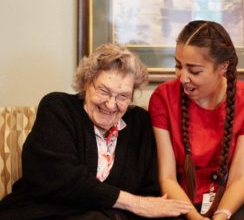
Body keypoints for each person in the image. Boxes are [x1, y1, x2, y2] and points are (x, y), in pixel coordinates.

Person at [0, 43, 191, 220]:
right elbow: (63, 180)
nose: (110, 104)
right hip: (44, 213)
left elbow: (149, 192)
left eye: (123, 96)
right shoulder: (58, 108)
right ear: (86, 83)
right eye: (104, 91)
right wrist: (134, 203)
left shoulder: (139, 123)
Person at [149, 20, 244, 220]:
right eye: (178, 66)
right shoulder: (163, 97)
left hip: (228, 203)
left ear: (222, 67)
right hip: (179, 203)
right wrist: (195, 218)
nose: (183, 77)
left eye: (194, 71)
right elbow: (167, 178)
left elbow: (239, 178)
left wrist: (221, 215)